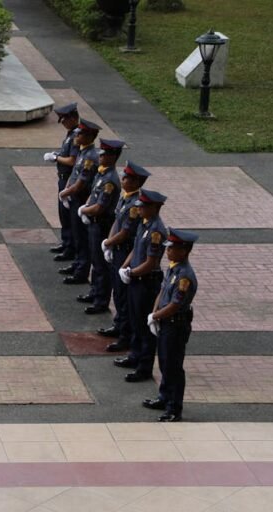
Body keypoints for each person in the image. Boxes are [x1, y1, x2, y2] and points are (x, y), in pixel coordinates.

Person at [142, 228, 198, 422]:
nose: (168, 251)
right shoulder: (173, 268)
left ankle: (174, 408)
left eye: (173, 248)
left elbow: (175, 305)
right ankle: (164, 397)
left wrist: (156, 316)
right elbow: (163, 292)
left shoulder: (184, 276)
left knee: (173, 366)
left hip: (176, 325)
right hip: (166, 323)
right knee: (165, 362)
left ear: (184, 250)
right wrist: (155, 313)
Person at [113, 189, 168, 382]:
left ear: (154, 207)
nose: (140, 209)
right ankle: (134, 355)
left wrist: (132, 273)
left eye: (144, 207)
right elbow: (136, 249)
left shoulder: (156, 231)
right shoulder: (144, 225)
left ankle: (144, 367)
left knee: (144, 327)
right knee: (135, 320)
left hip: (146, 282)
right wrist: (125, 266)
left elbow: (151, 262)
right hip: (136, 279)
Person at [98, 161, 151, 350]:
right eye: (125, 176)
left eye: (128, 178)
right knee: (117, 292)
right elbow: (116, 222)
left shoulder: (135, 206)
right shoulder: (125, 198)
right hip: (117, 249)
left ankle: (124, 336)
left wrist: (110, 242)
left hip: (124, 250)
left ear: (137, 181)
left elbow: (126, 232)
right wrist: (109, 241)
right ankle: (119, 325)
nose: (124, 179)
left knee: (123, 297)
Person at [77, 139, 123, 314]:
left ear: (112, 157)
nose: (100, 157)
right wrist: (87, 207)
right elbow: (93, 196)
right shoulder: (101, 173)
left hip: (102, 223)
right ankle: (95, 292)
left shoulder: (110, 180)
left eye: (104, 154)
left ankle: (101, 300)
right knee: (95, 261)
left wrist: (85, 210)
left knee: (101, 265)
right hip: (94, 222)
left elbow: (100, 206)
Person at [58, 119, 100, 285]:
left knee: (82, 237)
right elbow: (74, 175)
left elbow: (81, 182)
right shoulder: (83, 152)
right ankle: (77, 264)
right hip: (74, 197)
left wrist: (65, 192)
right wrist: (67, 189)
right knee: (76, 234)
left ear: (89, 136)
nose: (77, 136)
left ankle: (81, 271)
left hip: (80, 198)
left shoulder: (90, 157)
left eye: (80, 133)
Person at [44, 102, 80, 262]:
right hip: (63, 179)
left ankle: (70, 248)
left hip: (69, 181)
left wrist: (56, 158)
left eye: (65, 120)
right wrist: (58, 154)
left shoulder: (77, 136)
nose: (63, 123)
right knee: (63, 215)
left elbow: (72, 161)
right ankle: (66, 242)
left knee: (69, 215)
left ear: (73, 118)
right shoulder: (71, 133)